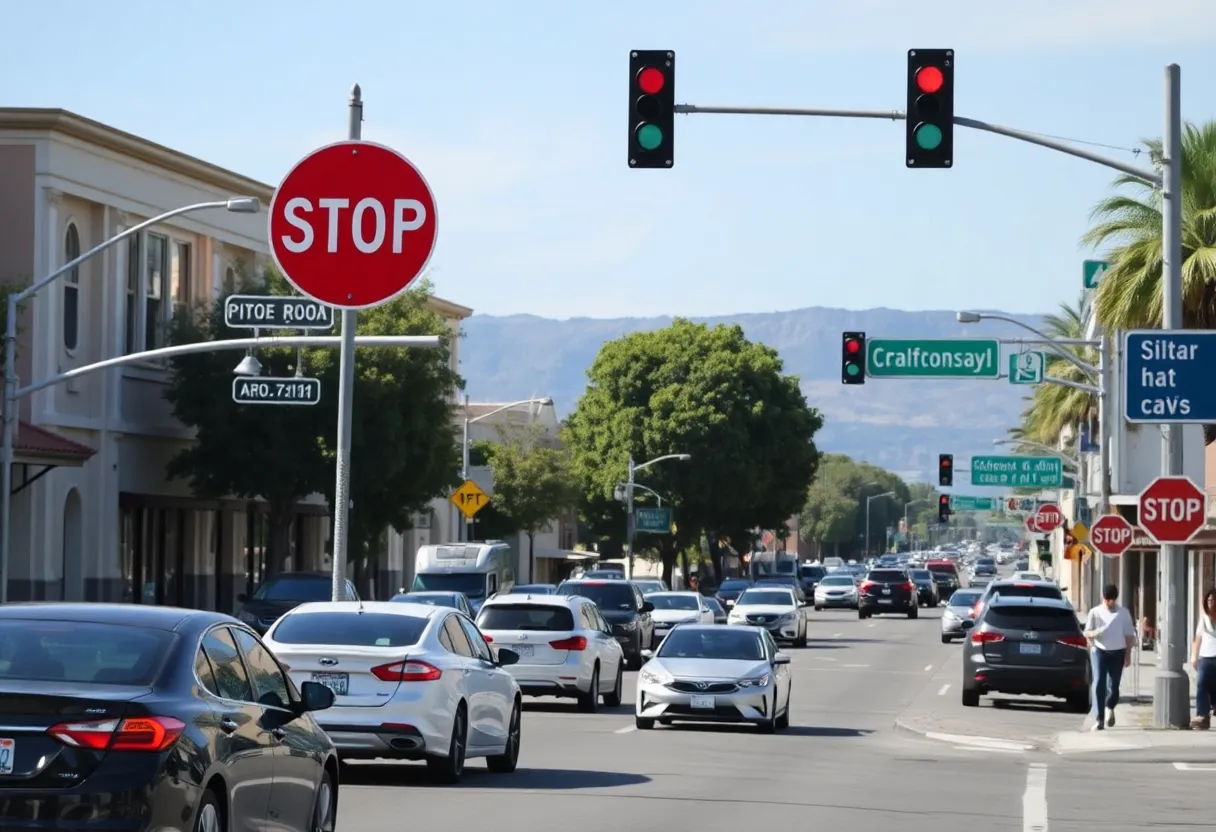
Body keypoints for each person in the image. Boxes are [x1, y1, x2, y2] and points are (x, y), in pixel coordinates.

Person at [1083, 583, 1136, 729]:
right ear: (1103, 597)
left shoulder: (1123, 613)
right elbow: (1087, 632)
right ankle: (1099, 719)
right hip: (1099, 651)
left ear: (1115, 599)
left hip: (1118, 652)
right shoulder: (1095, 612)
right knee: (1099, 681)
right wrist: (1094, 634)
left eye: (1111, 600)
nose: (1108, 602)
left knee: (1114, 686)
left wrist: (1128, 654)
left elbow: (1129, 635)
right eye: (1106, 599)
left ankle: (1109, 706)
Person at [1190, 588, 1216, 729]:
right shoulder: (1204, 619)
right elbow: (1198, 639)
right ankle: (1203, 716)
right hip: (1205, 657)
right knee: (1202, 685)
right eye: (1209, 601)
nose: (1211, 604)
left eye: (1214, 601)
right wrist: (1194, 657)